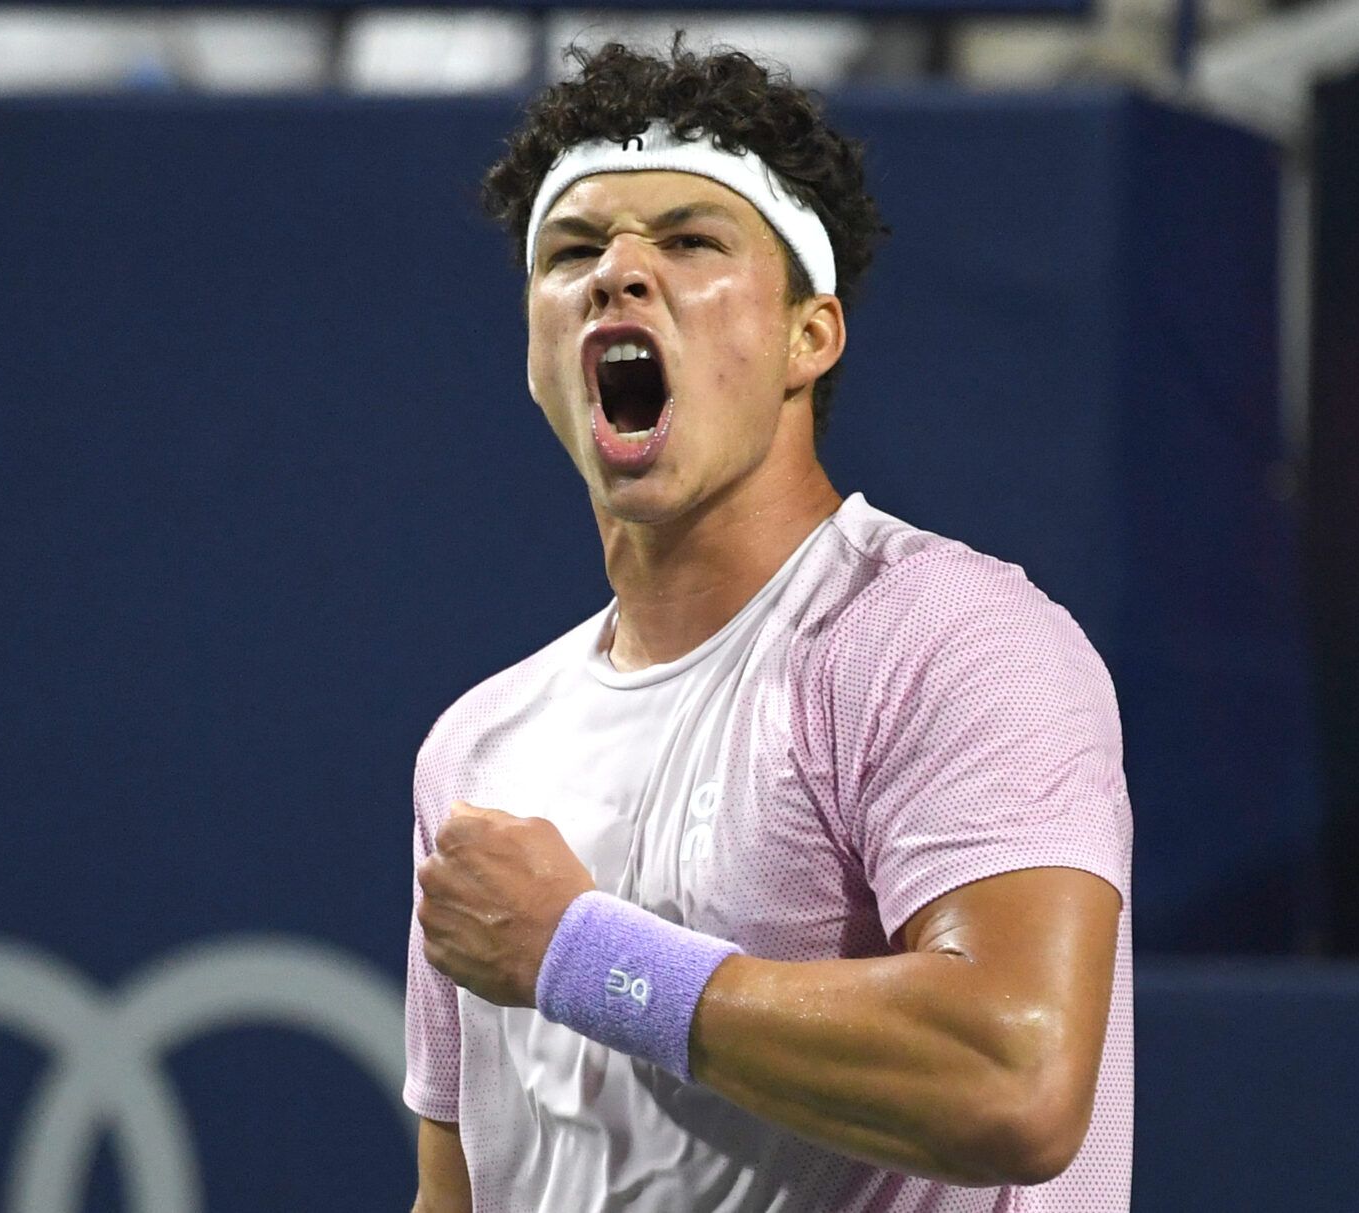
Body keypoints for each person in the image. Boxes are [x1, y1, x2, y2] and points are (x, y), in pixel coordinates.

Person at [405, 38, 1131, 1213]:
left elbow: (1018, 1079)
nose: (618, 273)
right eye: (574, 251)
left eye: (690, 242)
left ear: (811, 334)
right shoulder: (475, 749)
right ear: (538, 353)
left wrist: (579, 955)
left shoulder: (951, 639)